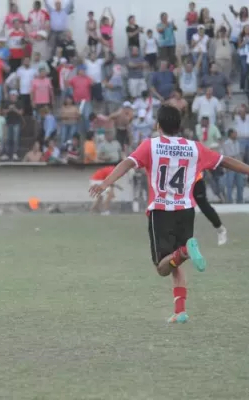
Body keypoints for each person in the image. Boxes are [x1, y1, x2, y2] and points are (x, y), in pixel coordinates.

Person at [89, 105, 249, 324]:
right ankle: (180, 311)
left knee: (163, 267)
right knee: (176, 263)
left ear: (158, 125)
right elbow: (225, 161)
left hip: (161, 211)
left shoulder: (151, 146)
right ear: (180, 126)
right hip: (186, 210)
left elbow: (127, 163)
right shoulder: (195, 148)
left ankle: (185, 250)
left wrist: (106, 183)